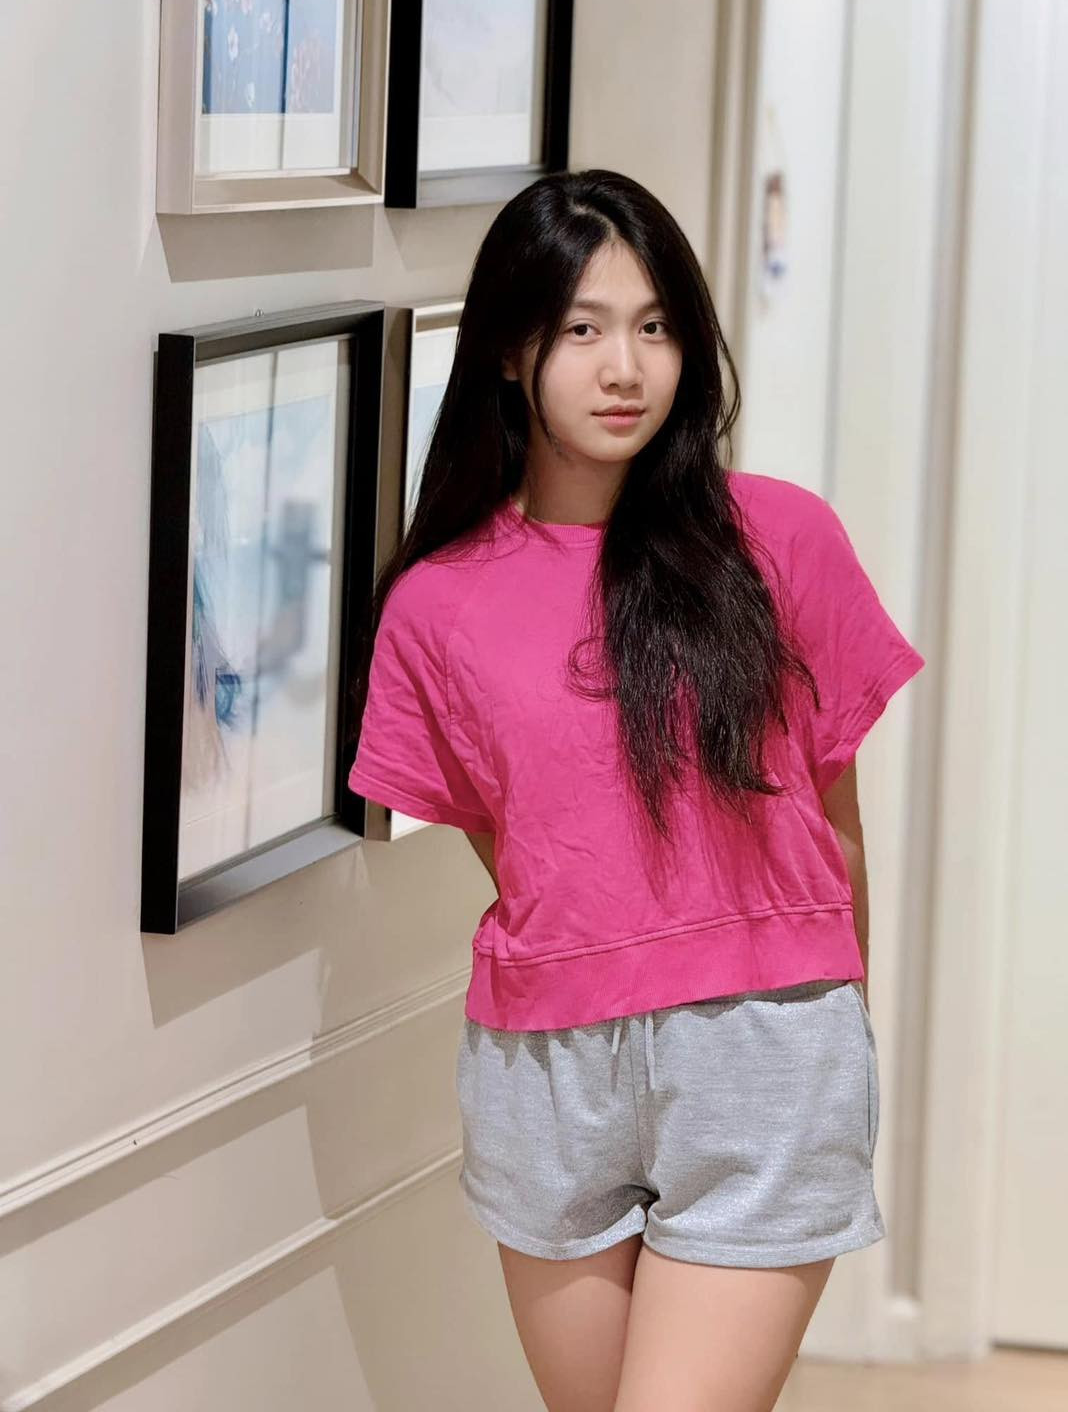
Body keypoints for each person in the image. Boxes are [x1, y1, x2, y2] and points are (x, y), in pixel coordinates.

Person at [347, 168, 925, 1412]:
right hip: (546, 1070)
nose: (627, 369)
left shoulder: (782, 540)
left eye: (656, 327)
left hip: (763, 1046)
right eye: (584, 330)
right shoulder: (435, 605)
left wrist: (838, 1025)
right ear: (514, 352)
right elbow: (514, 839)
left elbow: (834, 818)